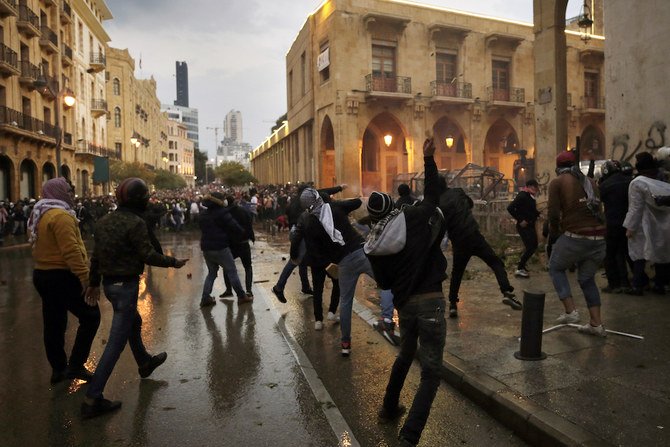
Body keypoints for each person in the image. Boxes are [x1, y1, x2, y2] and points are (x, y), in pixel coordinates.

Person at [365, 138, 447, 447]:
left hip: (406, 307)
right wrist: (427, 158)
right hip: (431, 303)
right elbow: (433, 195)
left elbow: (384, 285)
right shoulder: (412, 218)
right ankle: (409, 437)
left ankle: (389, 406)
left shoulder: (373, 244)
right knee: (431, 373)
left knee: (406, 353)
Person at [82, 178, 188, 419]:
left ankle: (144, 362)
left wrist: (93, 283)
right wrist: (173, 262)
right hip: (126, 286)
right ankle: (92, 398)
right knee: (115, 344)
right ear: (140, 200)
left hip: (110, 286)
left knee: (134, 323)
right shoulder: (135, 222)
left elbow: (96, 257)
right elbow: (148, 254)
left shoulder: (103, 222)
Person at [29, 178, 100, 385]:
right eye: (69, 190)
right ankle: (76, 365)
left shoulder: (41, 213)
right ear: (59, 192)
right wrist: (86, 278)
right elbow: (71, 251)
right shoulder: (61, 217)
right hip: (61, 275)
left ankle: (58, 368)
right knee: (91, 316)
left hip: (42, 274)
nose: (72, 194)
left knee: (54, 322)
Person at [291, 187, 372, 355]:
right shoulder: (335, 207)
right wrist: (338, 202)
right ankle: (392, 318)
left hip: (340, 262)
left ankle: (345, 343)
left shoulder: (309, 221)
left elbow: (311, 244)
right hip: (359, 252)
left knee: (345, 301)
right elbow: (357, 202)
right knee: (387, 281)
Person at [439, 180, 520, 318]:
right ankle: (506, 291)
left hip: (459, 240)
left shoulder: (437, 203)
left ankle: (452, 305)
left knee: (457, 273)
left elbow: (440, 225)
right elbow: (470, 204)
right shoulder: (458, 191)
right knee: (495, 262)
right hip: (473, 235)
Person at [547, 150, 607, 336]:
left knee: (555, 267)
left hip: (576, 236)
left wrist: (554, 234)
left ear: (558, 168)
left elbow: (553, 214)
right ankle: (596, 324)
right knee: (587, 279)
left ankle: (570, 311)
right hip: (599, 239)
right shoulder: (591, 181)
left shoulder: (557, 182)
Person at [271, 184, 346, 303]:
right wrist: (340, 188)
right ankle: (279, 287)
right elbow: (324, 190)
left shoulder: (294, 201)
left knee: (302, 262)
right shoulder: (307, 200)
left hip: (295, 231)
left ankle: (305, 286)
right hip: (300, 233)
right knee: (295, 260)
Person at [623, 152, 670, 295]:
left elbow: (635, 208)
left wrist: (630, 227)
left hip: (643, 225)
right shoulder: (662, 183)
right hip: (663, 225)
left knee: (638, 255)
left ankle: (638, 286)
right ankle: (659, 285)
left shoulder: (637, 183)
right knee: (661, 254)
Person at [199, 192, 251, 307]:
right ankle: (241, 296)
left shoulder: (203, 214)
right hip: (220, 247)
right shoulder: (222, 213)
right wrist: (242, 233)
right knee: (232, 271)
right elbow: (234, 226)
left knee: (211, 273)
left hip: (206, 248)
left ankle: (205, 297)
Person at [598, 160, 632, 293]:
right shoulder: (629, 181)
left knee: (610, 254)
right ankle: (632, 282)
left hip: (613, 223)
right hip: (629, 222)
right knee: (628, 252)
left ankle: (614, 284)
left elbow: (598, 200)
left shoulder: (605, 185)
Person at [220, 195, 255, 298]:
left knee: (227, 267)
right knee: (248, 267)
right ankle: (249, 290)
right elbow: (249, 224)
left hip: (230, 244)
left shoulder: (225, 213)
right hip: (243, 242)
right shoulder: (243, 211)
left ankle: (228, 290)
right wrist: (251, 236)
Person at [507, 179, 540, 278]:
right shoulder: (522, 196)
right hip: (524, 226)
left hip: (530, 225)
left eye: (536, 187)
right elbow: (510, 208)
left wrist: (538, 214)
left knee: (532, 246)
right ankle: (519, 268)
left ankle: (522, 266)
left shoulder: (529, 196)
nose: (536, 189)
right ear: (529, 186)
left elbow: (530, 210)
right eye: (534, 187)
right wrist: (521, 220)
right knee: (531, 247)